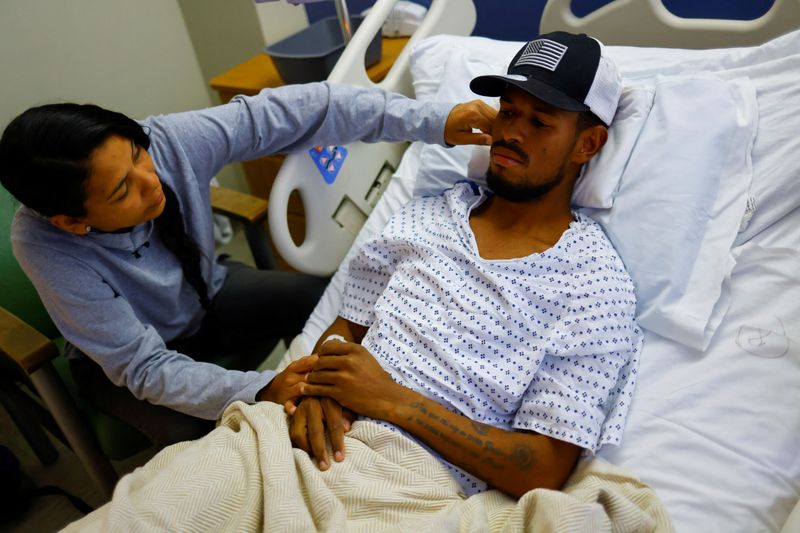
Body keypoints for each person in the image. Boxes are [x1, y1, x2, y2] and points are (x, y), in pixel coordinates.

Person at [0, 81, 496, 450]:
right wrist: (260, 387)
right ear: (71, 221)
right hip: (127, 362)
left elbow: (307, 110)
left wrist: (432, 120)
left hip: (209, 293)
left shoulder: (169, 142)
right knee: (202, 436)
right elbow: (143, 367)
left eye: (136, 156)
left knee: (325, 302)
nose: (150, 181)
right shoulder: (45, 246)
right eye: (121, 190)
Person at [289, 31, 642, 498]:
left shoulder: (594, 284)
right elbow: (345, 328)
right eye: (510, 111)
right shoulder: (424, 215)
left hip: (409, 486)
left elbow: (541, 469)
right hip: (308, 439)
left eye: (540, 122)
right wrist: (321, 386)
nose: (511, 133)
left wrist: (391, 401)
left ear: (587, 144)